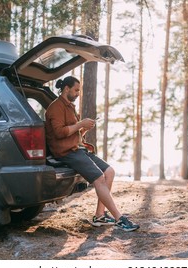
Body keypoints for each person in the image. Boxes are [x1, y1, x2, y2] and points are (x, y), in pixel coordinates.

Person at [45, 76, 139, 232]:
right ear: (66, 89)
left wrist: (84, 129)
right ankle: (119, 218)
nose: (77, 94)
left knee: (109, 172)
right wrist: (80, 124)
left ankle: (100, 215)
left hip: (78, 148)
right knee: (99, 178)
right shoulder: (55, 108)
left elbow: (73, 131)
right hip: (66, 151)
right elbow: (59, 132)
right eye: (75, 90)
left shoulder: (69, 106)